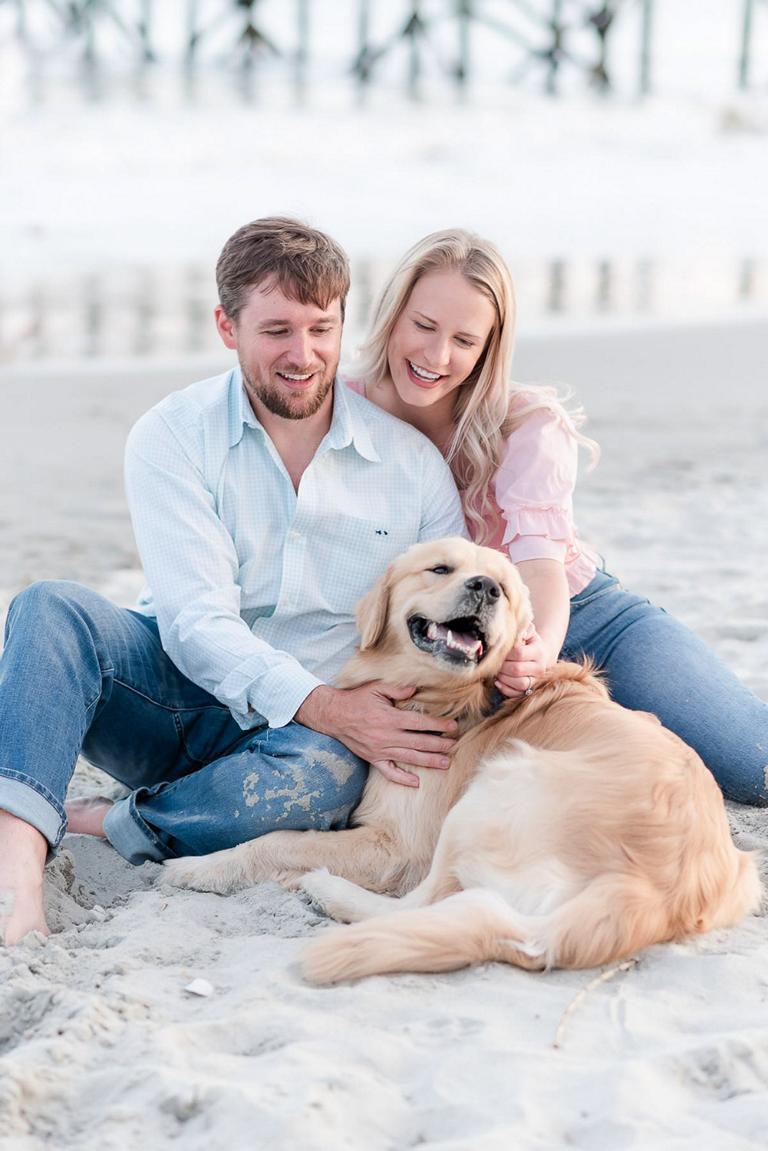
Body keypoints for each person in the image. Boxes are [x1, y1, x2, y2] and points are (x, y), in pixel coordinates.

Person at [0, 217, 467, 944]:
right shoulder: (173, 435)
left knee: (332, 771)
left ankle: (126, 819)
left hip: (305, 741)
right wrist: (326, 704)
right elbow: (193, 624)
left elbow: (440, 612)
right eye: (277, 330)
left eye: (322, 329)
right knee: (48, 609)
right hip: (176, 695)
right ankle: (17, 866)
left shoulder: (411, 469)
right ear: (227, 326)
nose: (304, 355)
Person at [347, 227, 768, 807]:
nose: (437, 355)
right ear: (393, 314)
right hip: (443, 643)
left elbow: (540, 565)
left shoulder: (526, 422)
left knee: (753, 764)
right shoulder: (342, 412)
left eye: (465, 339)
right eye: (423, 326)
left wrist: (536, 653)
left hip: (576, 616)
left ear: (489, 348)